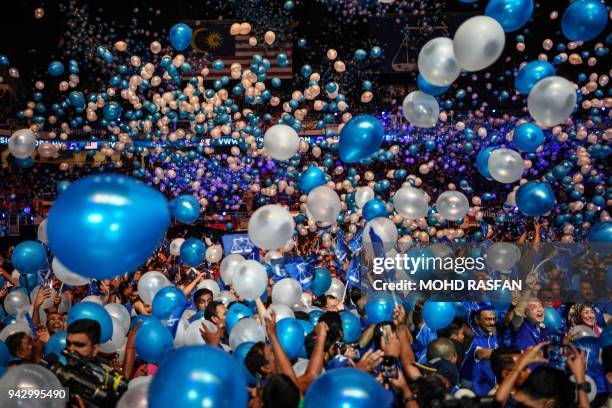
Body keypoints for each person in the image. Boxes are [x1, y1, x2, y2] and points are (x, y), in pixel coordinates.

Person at [461, 306, 499, 395]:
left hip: (489, 388)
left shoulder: (492, 337)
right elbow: (482, 353)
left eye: (493, 319)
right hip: (472, 389)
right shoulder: (471, 337)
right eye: (488, 319)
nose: (492, 322)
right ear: (477, 320)